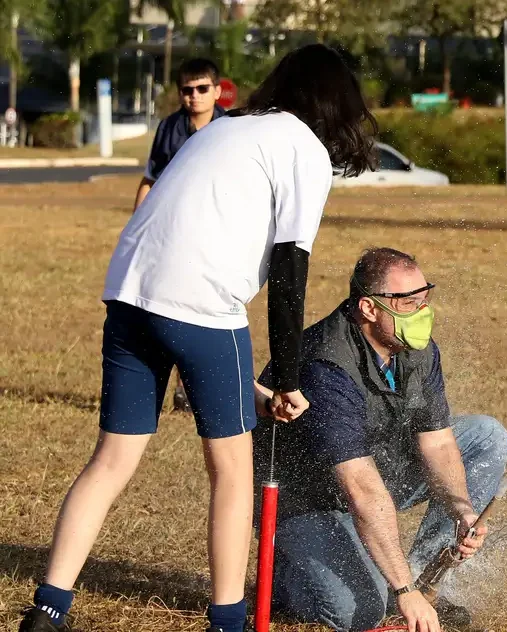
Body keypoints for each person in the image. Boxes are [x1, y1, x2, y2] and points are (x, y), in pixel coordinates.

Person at [18, 44, 377, 632]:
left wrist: (260, 388)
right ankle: (229, 621)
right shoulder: (304, 150)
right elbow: (290, 271)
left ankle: (49, 608)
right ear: (339, 102)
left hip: (130, 290)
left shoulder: (229, 126)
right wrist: (286, 379)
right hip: (202, 303)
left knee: (111, 459)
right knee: (232, 470)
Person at [252, 248, 507, 632]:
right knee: (359, 612)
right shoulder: (325, 366)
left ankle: (422, 580)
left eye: (424, 299)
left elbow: (437, 442)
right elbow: (361, 488)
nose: (422, 313)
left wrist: (463, 511)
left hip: (374, 465)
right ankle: (290, 577)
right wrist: (402, 589)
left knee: (485, 435)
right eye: (408, 303)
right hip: (308, 499)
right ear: (369, 309)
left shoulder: (414, 348)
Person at [132, 57, 227, 413]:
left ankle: (202, 386)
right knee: (172, 307)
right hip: (171, 233)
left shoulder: (230, 127)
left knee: (208, 309)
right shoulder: (169, 128)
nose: (195, 96)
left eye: (203, 88)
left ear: (217, 91)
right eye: (187, 90)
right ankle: (179, 390)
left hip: (215, 233)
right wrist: (137, 228)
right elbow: (151, 178)